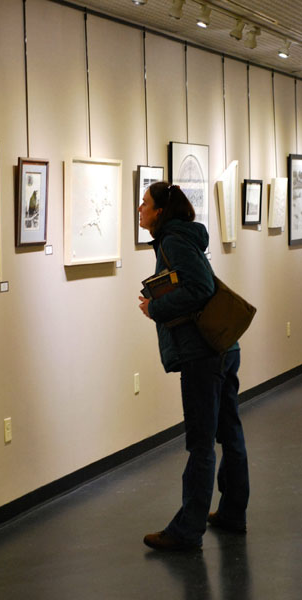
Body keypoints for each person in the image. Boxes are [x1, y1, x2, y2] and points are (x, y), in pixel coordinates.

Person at [138, 182, 249, 551]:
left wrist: (154, 307)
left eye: (145, 203)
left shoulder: (172, 241)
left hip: (204, 353)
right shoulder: (185, 236)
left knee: (201, 442)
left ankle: (188, 530)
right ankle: (232, 512)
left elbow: (199, 288)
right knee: (229, 431)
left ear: (159, 212)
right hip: (222, 344)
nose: (140, 208)